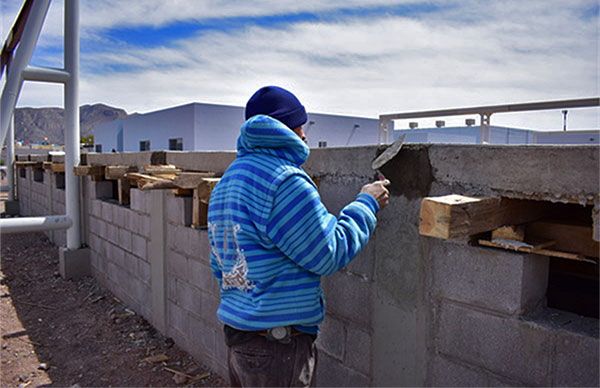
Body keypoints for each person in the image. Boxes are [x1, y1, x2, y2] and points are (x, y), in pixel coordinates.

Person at [207, 86, 389, 387]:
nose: (305, 135)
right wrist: (366, 203)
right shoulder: (284, 181)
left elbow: (221, 265)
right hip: (277, 346)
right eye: (301, 125)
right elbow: (328, 253)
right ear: (291, 128)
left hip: (241, 338)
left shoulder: (229, 180)